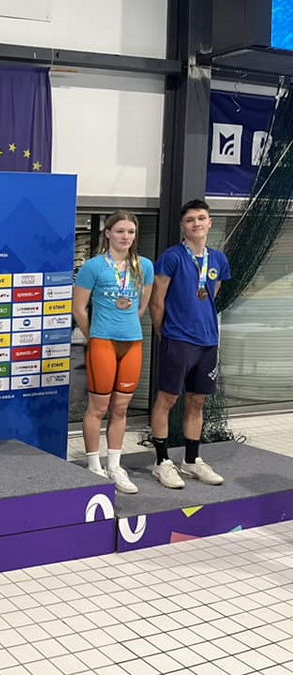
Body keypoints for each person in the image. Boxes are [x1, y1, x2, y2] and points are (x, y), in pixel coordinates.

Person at [149, 199, 231, 488]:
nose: (196, 223)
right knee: (168, 399)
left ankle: (192, 460)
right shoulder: (171, 257)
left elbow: (212, 294)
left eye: (201, 218)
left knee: (197, 401)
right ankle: (161, 462)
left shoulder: (218, 260)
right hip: (178, 339)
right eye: (190, 220)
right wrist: (164, 332)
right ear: (182, 226)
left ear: (210, 223)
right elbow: (157, 301)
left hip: (207, 341)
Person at [73, 211, 154, 494]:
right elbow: (79, 309)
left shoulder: (144, 266)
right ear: (107, 233)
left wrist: (125, 324)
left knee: (121, 408)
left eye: (130, 231)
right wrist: (94, 336)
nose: (126, 237)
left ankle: (115, 466)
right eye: (120, 231)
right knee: (98, 407)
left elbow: (142, 306)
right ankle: (94, 465)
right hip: (102, 342)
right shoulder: (93, 267)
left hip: (132, 342)